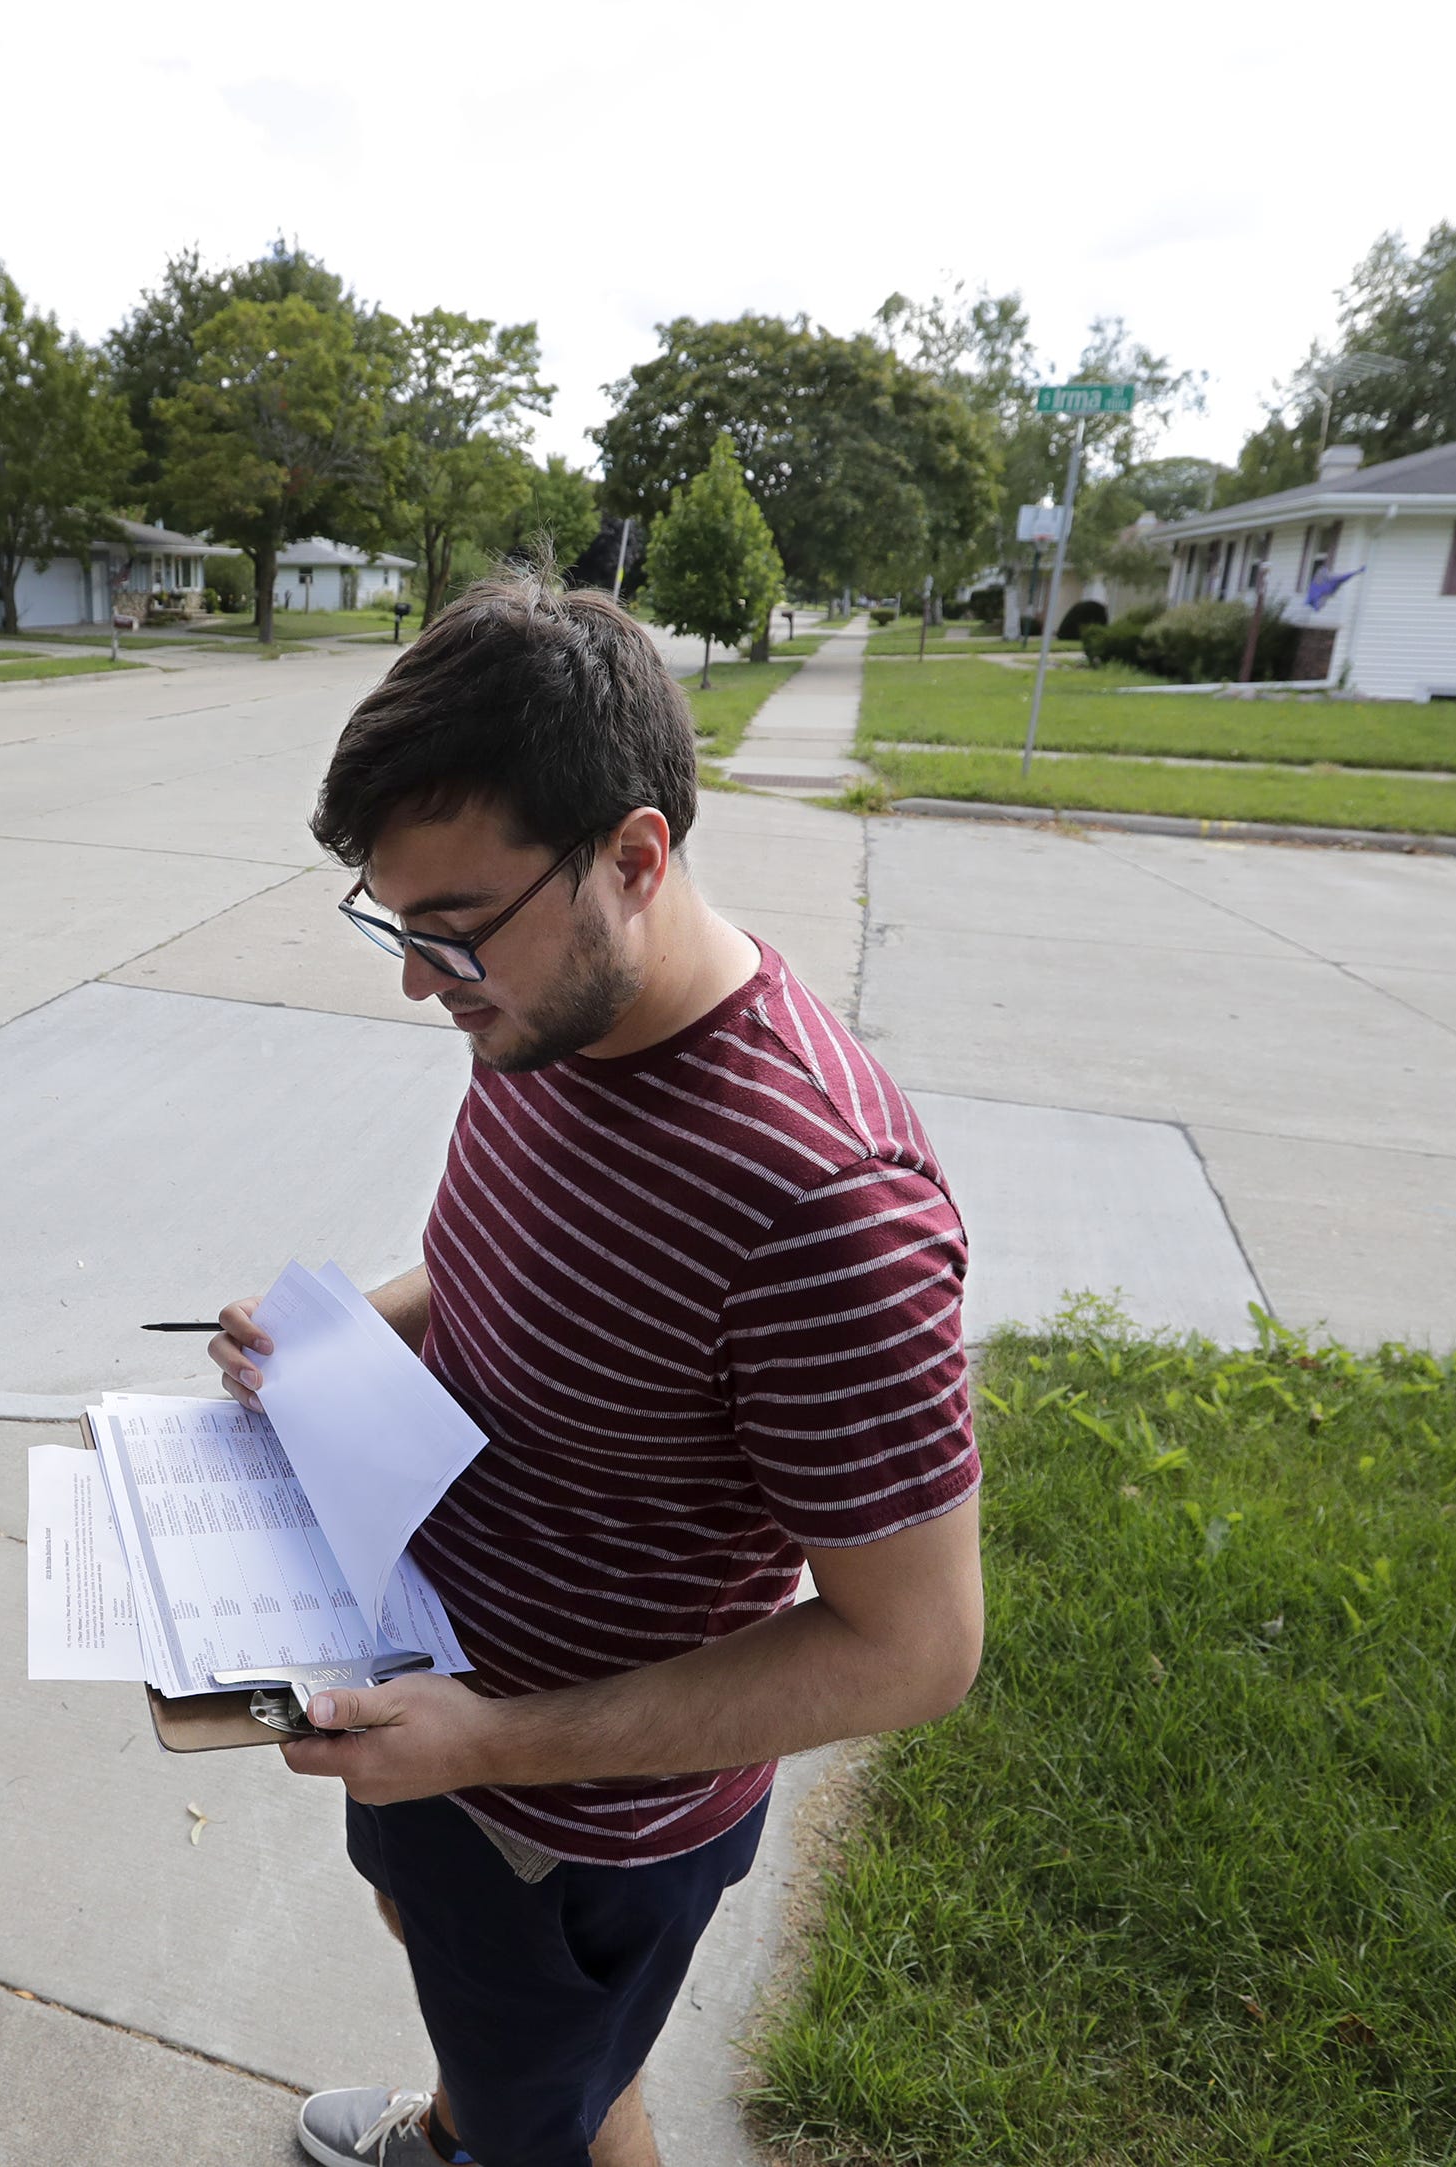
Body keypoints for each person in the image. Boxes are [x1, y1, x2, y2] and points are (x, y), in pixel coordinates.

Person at [209, 575, 984, 2167]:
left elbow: (913, 1654)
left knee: (549, 2117)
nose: (418, 983)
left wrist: (485, 1748)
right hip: (430, 1706)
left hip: (569, 1816)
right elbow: (517, 1270)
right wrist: (348, 1328)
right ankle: (458, 2122)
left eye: (451, 932)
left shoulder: (820, 1210)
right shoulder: (546, 1018)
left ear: (632, 857)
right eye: (393, 925)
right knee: (485, 2025)